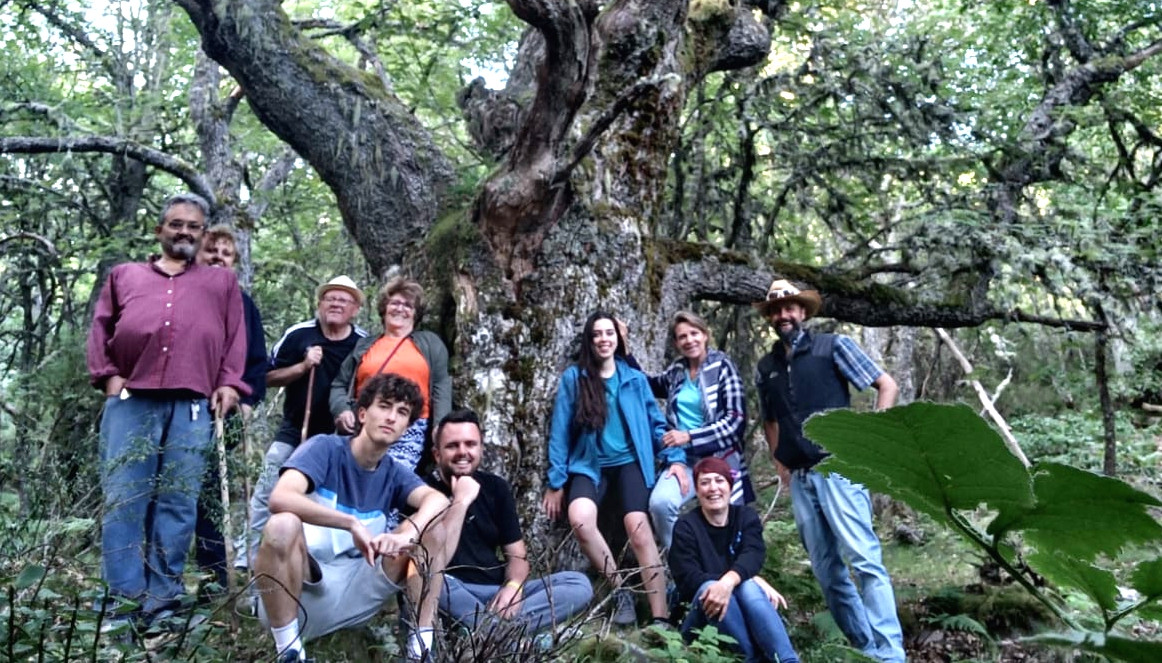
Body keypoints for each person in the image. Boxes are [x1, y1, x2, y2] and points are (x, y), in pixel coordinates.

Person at [86, 192, 249, 622]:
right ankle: (122, 601)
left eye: (193, 226)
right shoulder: (124, 275)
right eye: (176, 224)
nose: (184, 232)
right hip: (131, 399)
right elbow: (101, 325)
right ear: (160, 230)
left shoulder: (221, 283)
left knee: (178, 502)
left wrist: (230, 382)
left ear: (202, 234)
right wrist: (107, 375)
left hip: (193, 402)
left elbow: (235, 337)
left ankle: (163, 600)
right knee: (125, 499)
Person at [253, 373, 456, 663]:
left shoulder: (394, 472)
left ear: (406, 428)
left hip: (357, 589)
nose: (391, 417)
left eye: (402, 413)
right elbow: (280, 497)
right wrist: (350, 523)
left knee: (432, 533)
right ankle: (290, 652)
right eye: (384, 406)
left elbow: (437, 501)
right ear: (362, 413)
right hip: (302, 588)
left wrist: (404, 536)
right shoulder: (324, 448)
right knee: (282, 524)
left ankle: (420, 651)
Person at [754, 278, 905, 663]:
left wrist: (870, 441)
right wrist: (779, 462)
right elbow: (769, 419)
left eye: (790, 307)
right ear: (770, 317)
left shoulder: (833, 347)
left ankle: (891, 655)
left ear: (803, 312)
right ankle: (865, 649)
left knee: (865, 561)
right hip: (801, 479)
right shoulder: (767, 366)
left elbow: (885, 385)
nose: (783, 315)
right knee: (827, 572)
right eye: (776, 309)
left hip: (838, 468)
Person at [541, 311, 682, 626]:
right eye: (597, 334)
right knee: (580, 520)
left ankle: (661, 617)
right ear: (589, 341)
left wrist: (675, 460)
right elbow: (560, 432)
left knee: (639, 530)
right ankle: (620, 591)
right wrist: (556, 482)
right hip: (589, 466)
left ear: (618, 339)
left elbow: (657, 425)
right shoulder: (574, 379)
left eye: (609, 333)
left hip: (631, 464)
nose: (603, 339)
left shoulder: (633, 378)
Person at [427, 408, 593, 632]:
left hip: (495, 593)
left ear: (481, 449)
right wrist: (460, 502)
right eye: (452, 445)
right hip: (451, 591)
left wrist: (513, 587)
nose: (462, 452)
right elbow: (429, 562)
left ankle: (492, 632)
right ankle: (503, 635)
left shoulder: (495, 488)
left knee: (578, 584)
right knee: (430, 582)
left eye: (470, 444)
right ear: (437, 454)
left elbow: (517, 556)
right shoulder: (422, 490)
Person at [245, 275, 368, 563]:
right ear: (320, 303)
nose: (336, 303)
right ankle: (248, 560)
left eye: (344, 299)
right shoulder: (299, 335)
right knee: (267, 490)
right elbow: (264, 377)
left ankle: (323, 560)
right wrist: (303, 365)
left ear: (355, 309)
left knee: (333, 499)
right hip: (295, 430)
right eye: (330, 298)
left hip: (342, 437)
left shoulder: (363, 344)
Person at [192, 225, 268, 590]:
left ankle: (213, 581)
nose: (218, 257)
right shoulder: (184, 295)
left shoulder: (243, 304)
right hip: (182, 406)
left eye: (226, 253)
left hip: (225, 413)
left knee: (210, 495)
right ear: (197, 255)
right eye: (212, 251)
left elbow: (257, 360)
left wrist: (249, 399)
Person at [669, 457, 799, 663]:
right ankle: (753, 659)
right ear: (697, 490)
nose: (713, 488)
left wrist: (733, 581)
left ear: (730, 486)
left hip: (742, 608)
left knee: (746, 586)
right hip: (698, 619)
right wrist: (734, 580)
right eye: (705, 482)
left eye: (719, 480)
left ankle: (787, 660)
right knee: (711, 588)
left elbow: (753, 553)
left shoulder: (745, 516)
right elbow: (689, 580)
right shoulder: (686, 527)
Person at [644, 311, 755, 550]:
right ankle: (685, 564)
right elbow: (648, 384)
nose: (689, 340)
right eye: (682, 337)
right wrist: (622, 350)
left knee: (726, 523)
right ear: (676, 343)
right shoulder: (677, 371)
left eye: (694, 333)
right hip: (681, 460)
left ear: (705, 335)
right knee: (661, 504)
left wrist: (690, 436)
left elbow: (736, 421)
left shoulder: (722, 366)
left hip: (718, 459)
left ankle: (724, 571)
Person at [330, 276, 451, 473]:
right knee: (353, 476)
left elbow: (441, 385)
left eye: (408, 305)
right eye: (394, 303)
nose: (400, 309)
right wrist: (341, 410)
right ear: (384, 308)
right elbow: (339, 384)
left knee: (391, 478)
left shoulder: (429, 343)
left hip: (410, 426)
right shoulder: (365, 345)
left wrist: (440, 426)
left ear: (415, 314)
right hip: (365, 423)